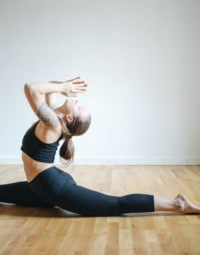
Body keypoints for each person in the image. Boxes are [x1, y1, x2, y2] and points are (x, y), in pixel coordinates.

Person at [0, 77, 200, 216]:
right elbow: (48, 89)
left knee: (114, 205)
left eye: (79, 108)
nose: (77, 102)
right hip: (41, 185)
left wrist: (63, 87)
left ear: (70, 117)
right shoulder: (53, 116)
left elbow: (30, 88)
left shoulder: (52, 123)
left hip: (53, 187)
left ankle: (177, 204)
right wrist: (63, 85)